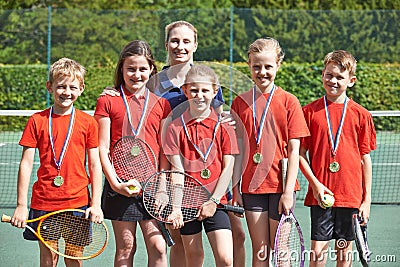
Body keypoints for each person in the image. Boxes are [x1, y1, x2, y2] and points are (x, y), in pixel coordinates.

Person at [101, 20, 246, 267]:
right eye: (175, 40)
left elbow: (219, 122)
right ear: (166, 44)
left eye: (186, 41)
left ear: (195, 45)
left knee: (237, 236)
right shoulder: (153, 82)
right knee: (177, 239)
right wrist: (112, 89)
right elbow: (132, 92)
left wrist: (228, 120)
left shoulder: (206, 79)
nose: (180, 46)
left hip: (210, 173)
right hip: (172, 172)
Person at [10, 57, 104, 267]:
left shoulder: (88, 122)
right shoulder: (37, 120)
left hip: (77, 203)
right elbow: (25, 165)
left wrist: (95, 204)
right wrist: (21, 205)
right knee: (48, 259)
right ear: (49, 87)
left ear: (81, 89)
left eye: (72, 87)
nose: (66, 92)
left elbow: (95, 165)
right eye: (60, 86)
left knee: (74, 256)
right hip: (44, 202)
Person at [230, 37, 310, 266]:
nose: (262, 72)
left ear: (278, 66)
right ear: (249, 66)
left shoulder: (289, 102)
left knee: (281, 249)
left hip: (280, 186)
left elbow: (294, 151)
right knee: (261, 250)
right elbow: (237, 150)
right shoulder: (240, 102)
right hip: (251, 188)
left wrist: (287, 192)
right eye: (256, 66)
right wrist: (235, 189)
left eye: (268, 66)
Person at [94, 40, 171, 267]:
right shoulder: (107, 100)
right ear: (121, 70)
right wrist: (116, 184)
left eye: (142, 69)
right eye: (131, 69)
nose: (136, 74)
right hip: (119, 187)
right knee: (126, 247)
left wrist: (163, 186)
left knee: (158, 247)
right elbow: (102, 148)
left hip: (152, 187)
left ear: (151, 70)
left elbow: (165, 149)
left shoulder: (162, 104)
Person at [299, 50, 376, 267]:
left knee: (344, 253)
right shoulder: (309, 112)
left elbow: (364, 159)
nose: (333, 80)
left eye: (340, 77)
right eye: (329, 75)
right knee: (318, 253)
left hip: (350, 196)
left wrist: (366, 200)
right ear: (322, 74)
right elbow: (299, 154)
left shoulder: (362, 115)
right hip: (321, 196)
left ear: (351, 81)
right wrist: (315, 185)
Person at [163, 64, 239, 267]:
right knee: (195, 258)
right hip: (187, 205)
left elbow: (228, 169)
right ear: (186, 91)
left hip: (217, 202)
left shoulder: (224, 127)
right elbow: (176, 171)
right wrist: (177, 208)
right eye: (194, 90)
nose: (199, 95)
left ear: (215, 92)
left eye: (205, 90)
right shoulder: (174, 128)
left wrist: (213, 201)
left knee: (225, 259)